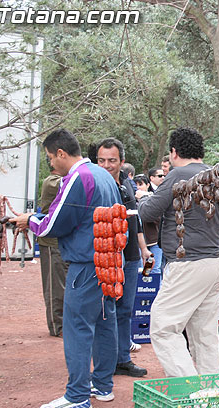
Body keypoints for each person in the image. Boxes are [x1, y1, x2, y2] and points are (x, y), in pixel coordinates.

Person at [11, 128, 121, 408]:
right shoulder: (101, 174)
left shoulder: (79, 177)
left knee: (77, 327)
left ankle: (78, 397)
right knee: (106, 322)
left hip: (86, 265)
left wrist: (29, 220)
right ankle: (102, 385)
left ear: (61, 153)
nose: (50, 164)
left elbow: (53, 224)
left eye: (50, 158)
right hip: (107, 262)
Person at [139, 127, 219, 376]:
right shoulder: (214, 175)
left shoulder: (178, 174)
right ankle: (213, 395)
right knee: (205, 335)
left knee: (163, 326)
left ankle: (189, 391)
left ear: (174, 152)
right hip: (214, 262)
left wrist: (143, 198)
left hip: (187, 263)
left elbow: (148, 213)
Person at [96, 138, 150, 377]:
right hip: (106, 258)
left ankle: (122, 359)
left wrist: (144, 249)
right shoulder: (95, 185)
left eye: (112, 160)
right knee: (105, 311)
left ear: (122, 161)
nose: (107, 165)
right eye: (102, 160)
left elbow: (135, 220)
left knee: (126, 308)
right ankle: (104, 364)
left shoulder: (127, 184)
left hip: (129, 258)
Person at [37, 164, 68, 337]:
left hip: (61, 242)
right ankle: (57, 326)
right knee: (54, 287)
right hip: (50, 243)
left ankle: (63, 323)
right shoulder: (53, 182)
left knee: (62, 284)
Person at [134, 175, 163, 274]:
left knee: (154, 269)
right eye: (136, 185)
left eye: (140, 184)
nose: (138, 187)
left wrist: (144, 198)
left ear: (147, 185)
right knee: (141, 270)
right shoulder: (131, 201)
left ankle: (154, 288)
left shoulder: (153, 199)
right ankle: (143, 288)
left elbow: (157, 218)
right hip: (139, 242)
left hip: (153, 241)